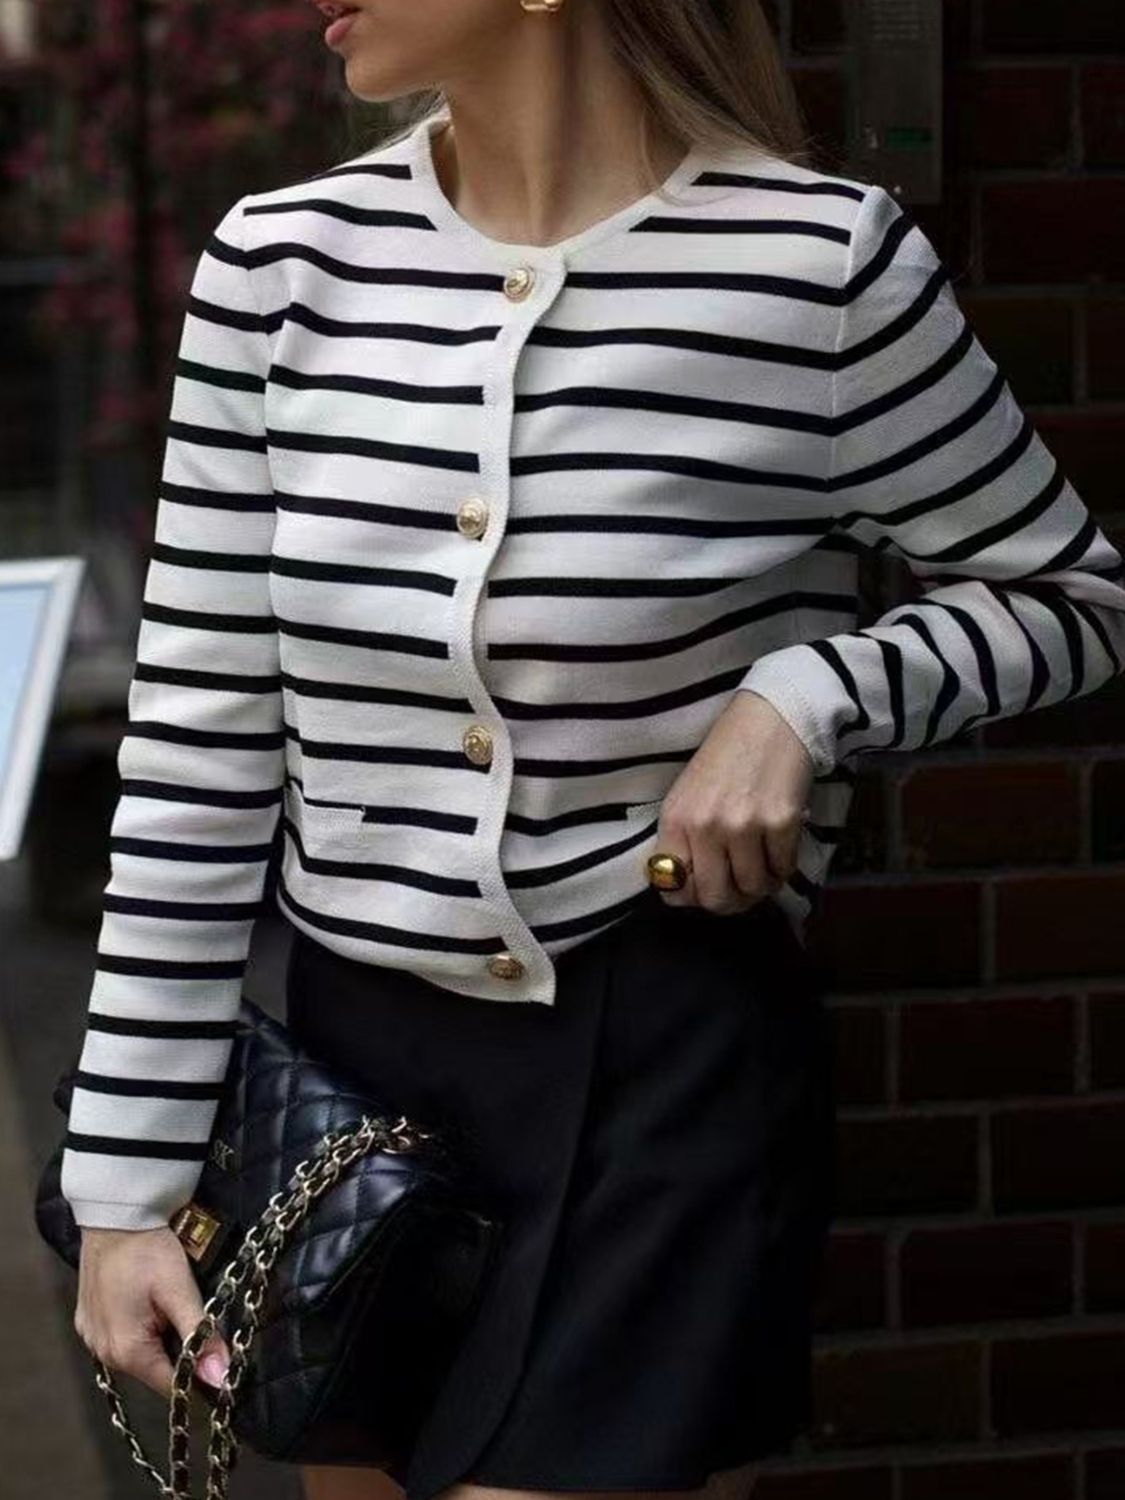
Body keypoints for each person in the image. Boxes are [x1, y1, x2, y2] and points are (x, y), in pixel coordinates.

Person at [62, 3, 1125, 1500]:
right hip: (348, 1087)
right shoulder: (279, 267)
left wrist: (806, 696)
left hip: (661, 1067)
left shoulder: (816, 266)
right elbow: (195, 746)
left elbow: (1070, 599)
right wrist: (126, 1187)